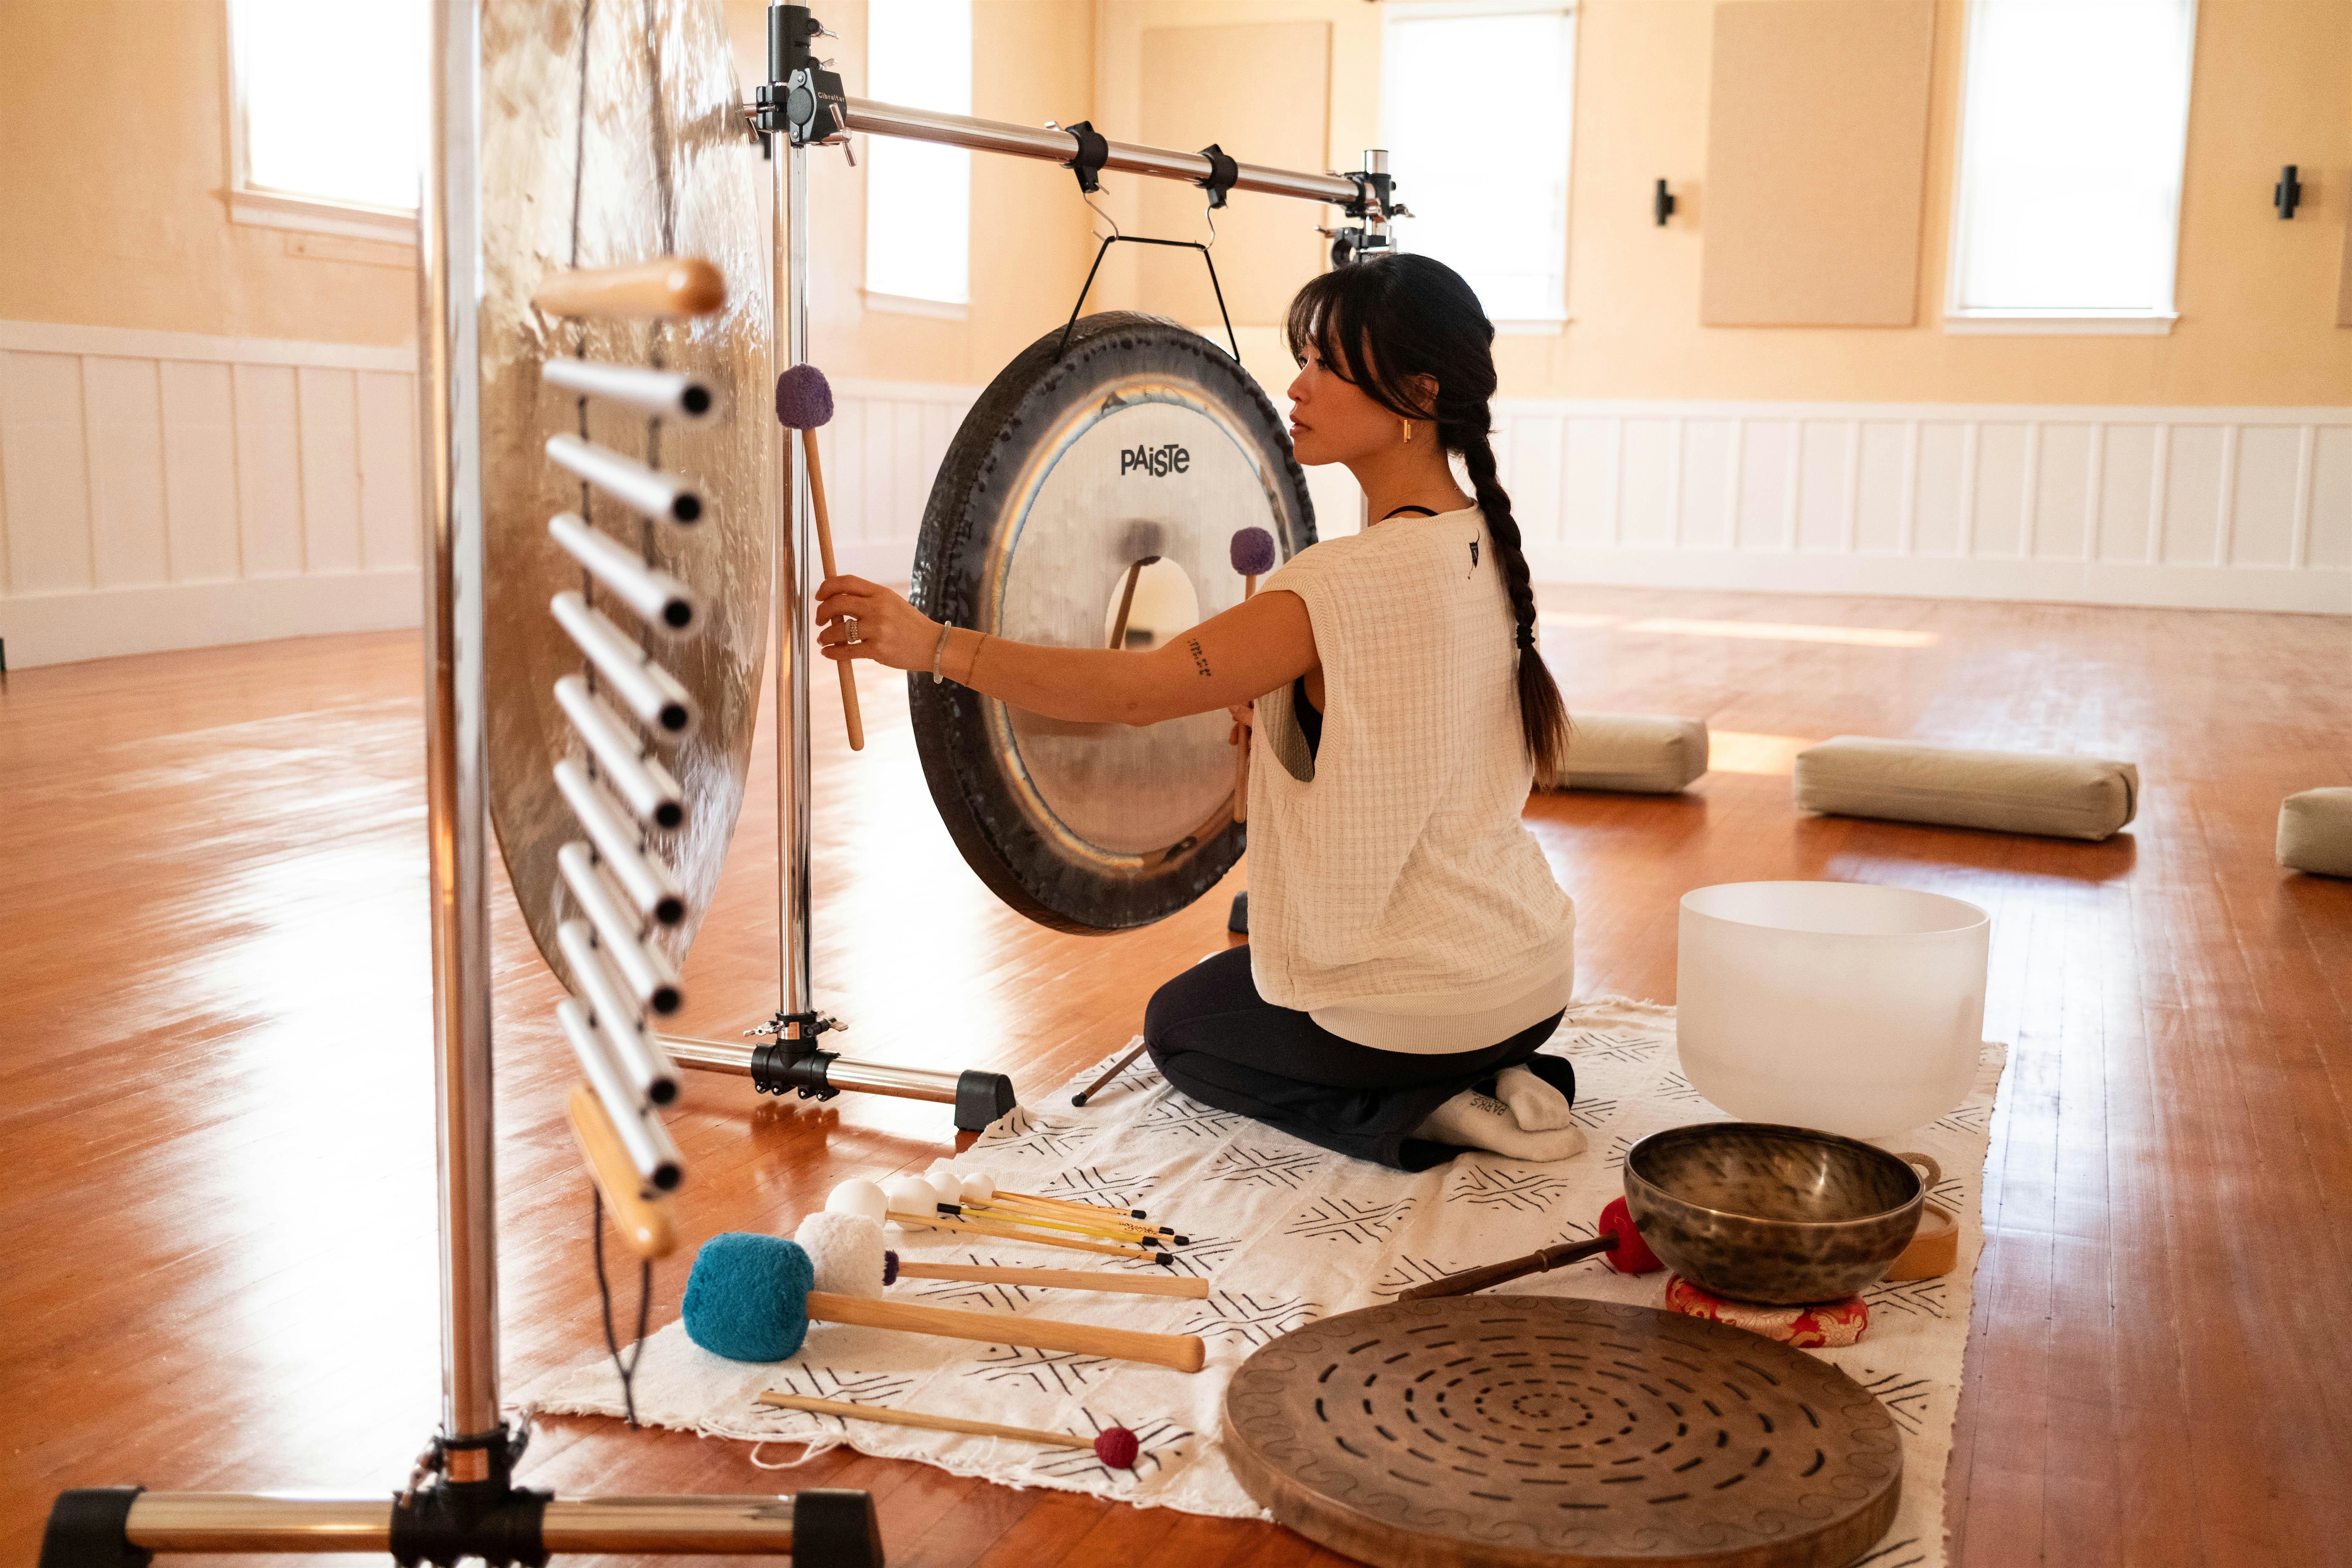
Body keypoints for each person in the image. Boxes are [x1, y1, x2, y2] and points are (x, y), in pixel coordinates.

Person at [814, 253, 1582, 1170]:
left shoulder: (1341, 583)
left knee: (1180, 1030)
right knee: (1239, 986)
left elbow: (1138, 692)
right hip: (1531, 975)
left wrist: (933, 644)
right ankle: (1490, 1071)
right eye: (1303, 360)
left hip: (1422, 1003)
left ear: (1419, 393)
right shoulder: (1489, 543)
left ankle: (1428, 1111)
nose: (1297, 387)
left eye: (1328, 366)